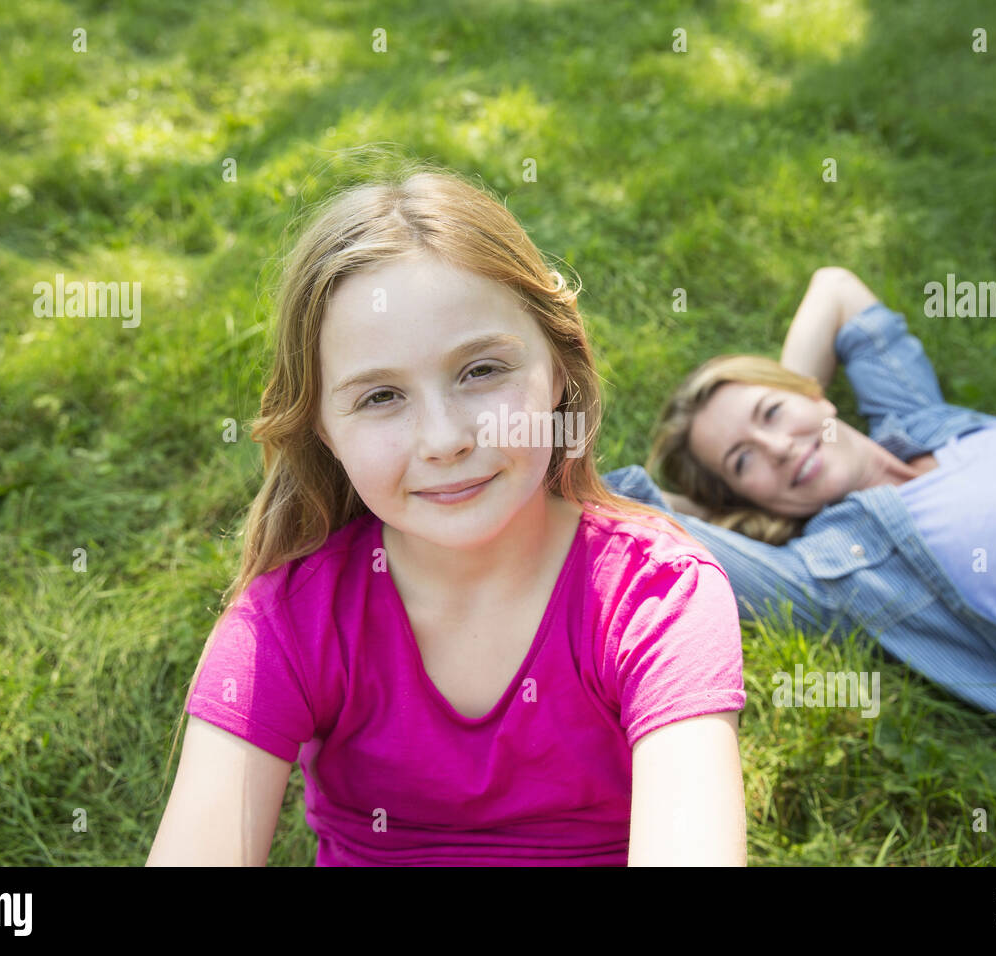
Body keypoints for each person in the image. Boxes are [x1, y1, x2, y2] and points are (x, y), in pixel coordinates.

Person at [147, 165, 748, 866]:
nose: (445, 439)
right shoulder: (287, 624)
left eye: (481, 371)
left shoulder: (657, 598)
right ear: (322, 430)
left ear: (558, 370)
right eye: (380, 398)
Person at [604, 266, 996, 797]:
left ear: (811, 393)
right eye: (742, 461)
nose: (778, 448)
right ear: (747, 499)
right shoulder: (840, 571)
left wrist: (802, 409)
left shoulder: (928, 422)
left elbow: (836, 290)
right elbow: (637, 521)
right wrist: (719, 505)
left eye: (772, 413)